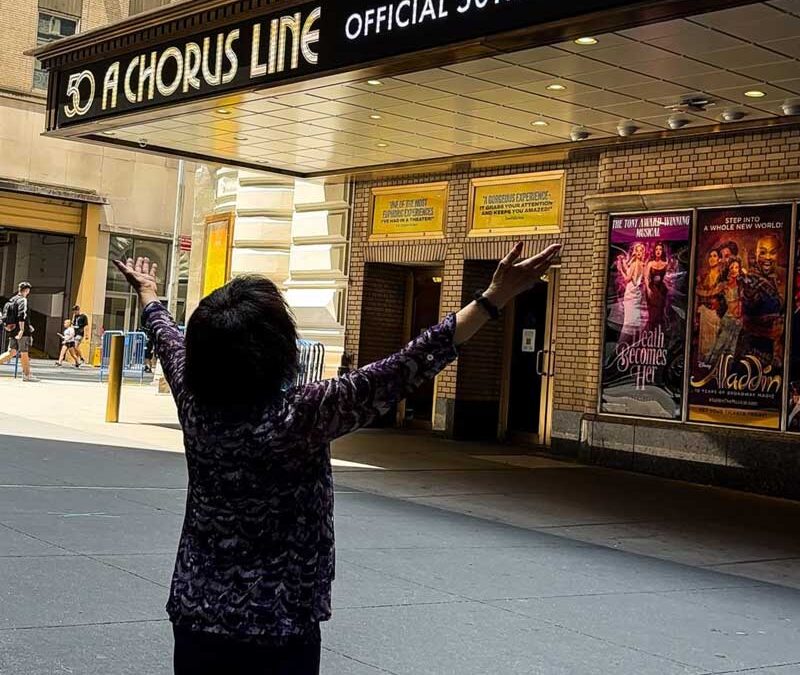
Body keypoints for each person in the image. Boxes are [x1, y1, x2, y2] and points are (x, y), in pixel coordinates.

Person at [113, 241, 561, 675]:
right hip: (280, 625)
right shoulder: (302, 415)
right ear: (276, 350)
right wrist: (493, 297)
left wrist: (148, 292)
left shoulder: (194, 402)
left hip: (197, 613)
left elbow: (168, 337)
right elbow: (407, 366)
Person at [741, 233, 784, 365]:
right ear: (756, 253)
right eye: (763, 252)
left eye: (772, 253)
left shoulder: (784, 275)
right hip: (755, 347)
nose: (767, 257)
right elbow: (749, 304)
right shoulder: (752, 278)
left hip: (780, 349)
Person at [707, 257, 744, 366]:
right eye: (731, 267)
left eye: (737, 267)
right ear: (728, 270)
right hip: (728, 318)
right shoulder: (724, 285)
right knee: (720, 344)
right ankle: (710, 365)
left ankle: (727, 370)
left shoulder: (742, 284)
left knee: (732, 346)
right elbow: (710, 293)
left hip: (739, 320)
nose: (734, 270)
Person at [0, 282, 39, 382]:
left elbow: (6, 315)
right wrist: (22, 329)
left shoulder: (12, 300)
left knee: (11, 352)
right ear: (27, 290)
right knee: (24, 352)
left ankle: (27, 374)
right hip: (22, 331)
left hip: (12, 329)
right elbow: (22, 315)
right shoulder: (23, 300)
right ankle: (27, 375)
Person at [616, 242, 648, 343]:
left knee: (628, 322)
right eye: (637, 250)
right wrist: (624, 263)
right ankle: (631, 344)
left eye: (640, 251)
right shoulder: (641, 264)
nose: (639, 252)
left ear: (642, 253)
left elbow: (627, 278)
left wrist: (620, 268)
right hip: (636, 291)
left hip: (631, 292)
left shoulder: (635, 264)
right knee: (633, 321)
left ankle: (621, 345)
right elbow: (632, 274)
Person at [695, 248, 723, 361]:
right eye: (710, 256)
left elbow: (720, 291)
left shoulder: (722, 276)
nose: (712, 258)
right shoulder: (703, 276)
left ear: (719, 259)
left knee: (716, 341)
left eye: (715, 256)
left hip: (717, 313)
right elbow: (697, 292)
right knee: (705, 342)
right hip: (705, 312)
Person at [644, 242, 669, 332]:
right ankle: (650, 333)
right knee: (652, 313)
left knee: (660, 313)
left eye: (660, 249)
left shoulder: (666, 264)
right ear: (654, 251)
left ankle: (658, 334)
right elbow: (646, 278)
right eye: (657, 249)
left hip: (662, 290)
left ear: (662, 251)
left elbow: (668, 277)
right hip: (652, 289)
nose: (658, 251)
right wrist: (648, 289)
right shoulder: (650, 263)